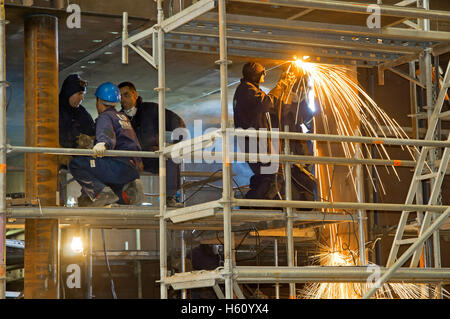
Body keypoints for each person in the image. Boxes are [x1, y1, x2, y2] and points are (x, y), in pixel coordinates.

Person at [68, 82, 144, 207]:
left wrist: (103, 143)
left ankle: (100, 193)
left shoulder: (105, 117)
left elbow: (106, 132)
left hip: (118, 168)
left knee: (76, 163)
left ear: (99, 100)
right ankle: (127, 194)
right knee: (110, 188)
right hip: (132, 169)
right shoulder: (122, 117)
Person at [233, 61, 295, 201]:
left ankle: (259, 205)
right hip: (255, 142)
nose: (264, 76)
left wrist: (286, 87)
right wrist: (281, 85)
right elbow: (266, 102)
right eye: (263, 73)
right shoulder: (246, 90)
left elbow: (274, 107)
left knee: (267, 175)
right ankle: (255, 206)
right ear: (256, 75)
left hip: (255, 142)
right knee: (270, 175)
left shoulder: (249, 89)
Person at [118, 81, 186, 207]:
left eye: (126, 95)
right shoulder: (119, 117)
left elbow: (177, 123)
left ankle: (169, 197)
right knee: (116, 160)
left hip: (153, 156)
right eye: (120, 96)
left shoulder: (152, 110)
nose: (123, 100)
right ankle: (122, 199)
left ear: (135, 94)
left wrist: (175, 144)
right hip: (131, 159)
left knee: (171, 156)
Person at [59, 74, 95, 149]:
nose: (82, 98)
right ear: (69, 93)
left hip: (81, 157)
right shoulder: (56, 111)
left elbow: (92, 131)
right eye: (79, 93)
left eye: (83, 94)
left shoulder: (82, 112)